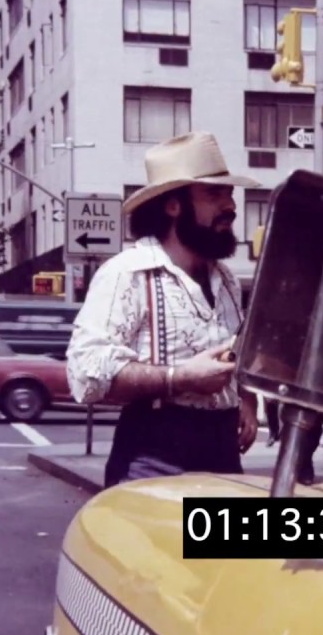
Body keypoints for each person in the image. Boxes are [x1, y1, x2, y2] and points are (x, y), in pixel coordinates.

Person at [65, 131, 262, 487]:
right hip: (154, 457)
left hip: (223, 455)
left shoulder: (227, 279)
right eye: (214, 194)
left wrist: (247, 399)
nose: (230, 206)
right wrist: (178, 378)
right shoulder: (127, 273)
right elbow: (86, 375)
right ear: (173, 206)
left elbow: (237, 350)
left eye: (230, 194)